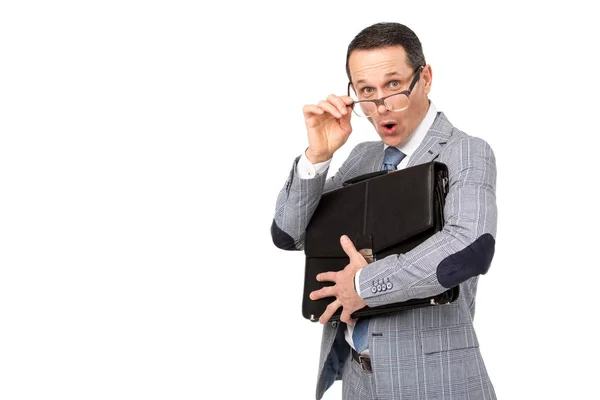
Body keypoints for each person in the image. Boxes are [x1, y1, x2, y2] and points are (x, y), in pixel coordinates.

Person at [271, 22, 497, 400]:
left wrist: (363, 286)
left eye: (394, 85)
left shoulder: (466, 151)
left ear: (424, 78)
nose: (380, 106)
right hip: (359, 380)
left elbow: (470, 246)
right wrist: (318, 157)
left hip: (435, 382)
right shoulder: (361, 157)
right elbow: (289, 235)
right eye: (366, 91)